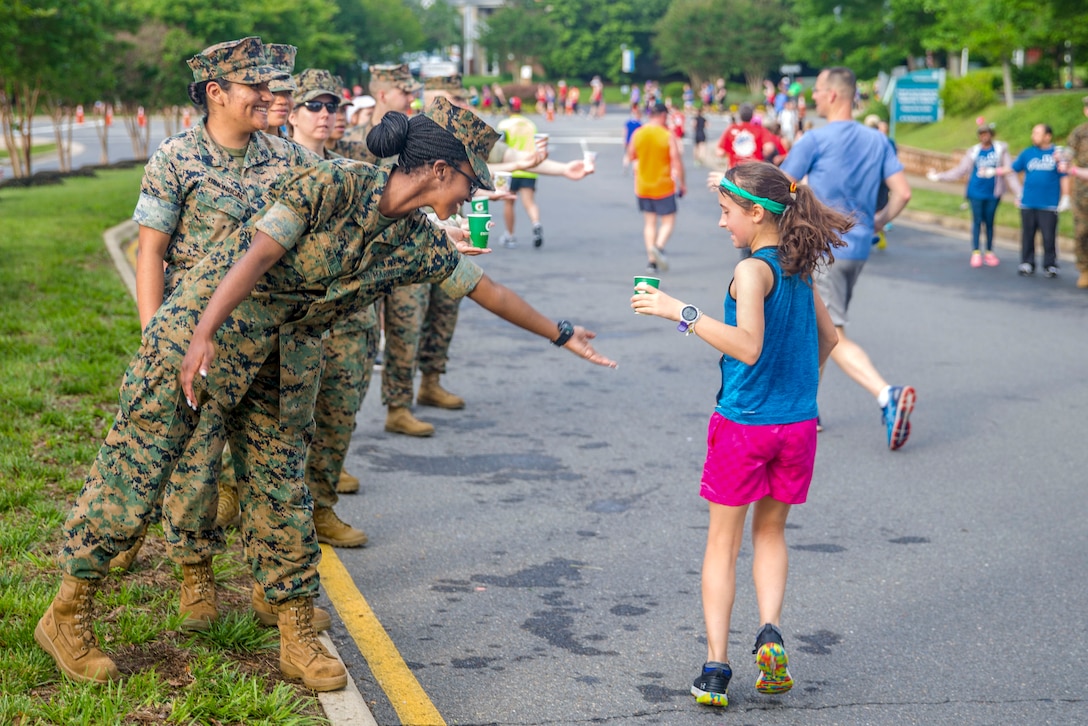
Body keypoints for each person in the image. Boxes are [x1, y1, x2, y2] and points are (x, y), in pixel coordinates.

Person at [35, 98, 616, 691]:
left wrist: (562, 333)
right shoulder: (332, 182)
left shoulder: (416, 240)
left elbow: (485, 289)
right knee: (141, 468)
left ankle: (294, 631)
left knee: (282, 486)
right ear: (441, 169)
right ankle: (67, 613)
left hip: (282, 359)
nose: (474, 193)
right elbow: (257, 254)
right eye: (472, 180)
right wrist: (202, 333)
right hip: (206, 332)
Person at [117, 38, 320, 628]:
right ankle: (195, 575)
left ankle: (271, 586)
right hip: (195, 341)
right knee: (195, 463)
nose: (271, 96)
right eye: (257, 87)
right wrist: (158, 338)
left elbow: (351, 197)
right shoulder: (176, 158)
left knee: (270, 468)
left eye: (273, 87)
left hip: (269, 342)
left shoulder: (288, 158)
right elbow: (149, 251)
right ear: (216, 93)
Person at [630, 162, 843, 709]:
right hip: (795, 426)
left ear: (756, 213)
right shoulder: (799, 264)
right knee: (770, 535)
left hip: (745, 424)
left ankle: (717, 667)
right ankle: (770, 635)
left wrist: (677, 310)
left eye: (727, 213)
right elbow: (829, 338)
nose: (722, 224)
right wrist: (799, 388)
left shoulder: (752, 272)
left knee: (721, 546)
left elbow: (746, 345)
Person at [779, 67, 915, 450]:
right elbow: (902, 193)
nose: (814, 98)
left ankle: (886, 394)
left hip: (824, 249)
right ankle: (807, 408)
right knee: (820, 325)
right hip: (858, 250)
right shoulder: (878, 140)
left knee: (832, 333)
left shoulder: (815, 139)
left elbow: (779, 188)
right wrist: (876, 224)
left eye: (818, 91)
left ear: (835, 95)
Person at [284, 67, 375, 545]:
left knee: (338, 418)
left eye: (331, 107)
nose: (324, 115)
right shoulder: (274, 168)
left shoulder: (348, 172)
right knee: (283, 430)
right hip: (289, 321)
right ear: (292, 114)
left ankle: (320, 509)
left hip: (345, 319)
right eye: (314, 106)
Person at [927, 121, 1018, 267]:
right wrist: (939, 176)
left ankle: (989, 252)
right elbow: (960, 170)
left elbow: (1009, 172)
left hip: (993, 193)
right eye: (981, 134)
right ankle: (976, 252)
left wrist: (1019, 193)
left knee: (989, 222)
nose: (984, 136)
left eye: (986, 133)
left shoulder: (1000, 150)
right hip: (976, 192)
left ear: (991, 135)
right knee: (977, 221)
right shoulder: (974, 151)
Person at [1003, 123, 1070, 277]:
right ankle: (1027, 262)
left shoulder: (1057, 154)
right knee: (1027, 235)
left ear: (1048, 136)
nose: (1034, 136)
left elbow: (1064, 177)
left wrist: (1066, 197)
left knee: (1048, 236)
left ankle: (1050, 265)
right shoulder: (1027, 153)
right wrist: (994, 171)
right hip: (1028, 202)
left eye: (1038, 133)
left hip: (1049, 204)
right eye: (1033, 133)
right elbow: (1013, 168)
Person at [627, 102, 686, 272]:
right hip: (663, 184)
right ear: (662, 116)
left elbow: (632, 154)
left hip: (643, 185)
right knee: (668, 221)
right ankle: (658, 247)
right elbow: (676, 161)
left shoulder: (638, 133)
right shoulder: (667, 135)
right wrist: (682, 184)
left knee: (649, 223)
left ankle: (651, 261)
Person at [497, 96, 545, 248]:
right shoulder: (531, 125)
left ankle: (510, 236)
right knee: (529, 202)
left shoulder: (504, 124)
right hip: (529, 167)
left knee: (509, 203)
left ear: (509, 109)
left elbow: (500, 146)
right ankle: (536, 224)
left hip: (510, 168)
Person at [1060, 97, 1088, 288]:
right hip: (1082, 193)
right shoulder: (1079, 133)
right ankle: (1085, 269)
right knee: (1082, 231)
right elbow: (1067, 155)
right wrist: (1063, 161)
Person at [716, 103, 786, 169]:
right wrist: (762, 155)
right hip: (754, 168)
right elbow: (769, 147)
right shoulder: (760, 130)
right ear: (752, 115)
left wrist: (731, 152)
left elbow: (720, 152)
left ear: (740, 115)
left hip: (736, 168)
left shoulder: (731, 129)